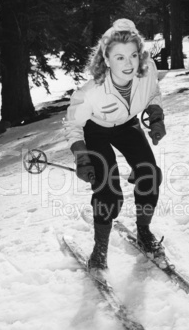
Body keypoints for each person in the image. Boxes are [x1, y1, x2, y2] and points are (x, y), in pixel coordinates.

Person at [65, 18, 166, 278]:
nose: (129, 63)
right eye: (119, 57)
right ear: (106, 59)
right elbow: (73, 125)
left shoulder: (147, 70)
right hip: (96, 129)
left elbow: (153, 92)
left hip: (127, 124)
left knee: (149, 174)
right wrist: (82, 158)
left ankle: (144, 230)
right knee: (109, 192)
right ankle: (99, 250)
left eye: (134, 55)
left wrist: (156, 117)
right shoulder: (91, 92)